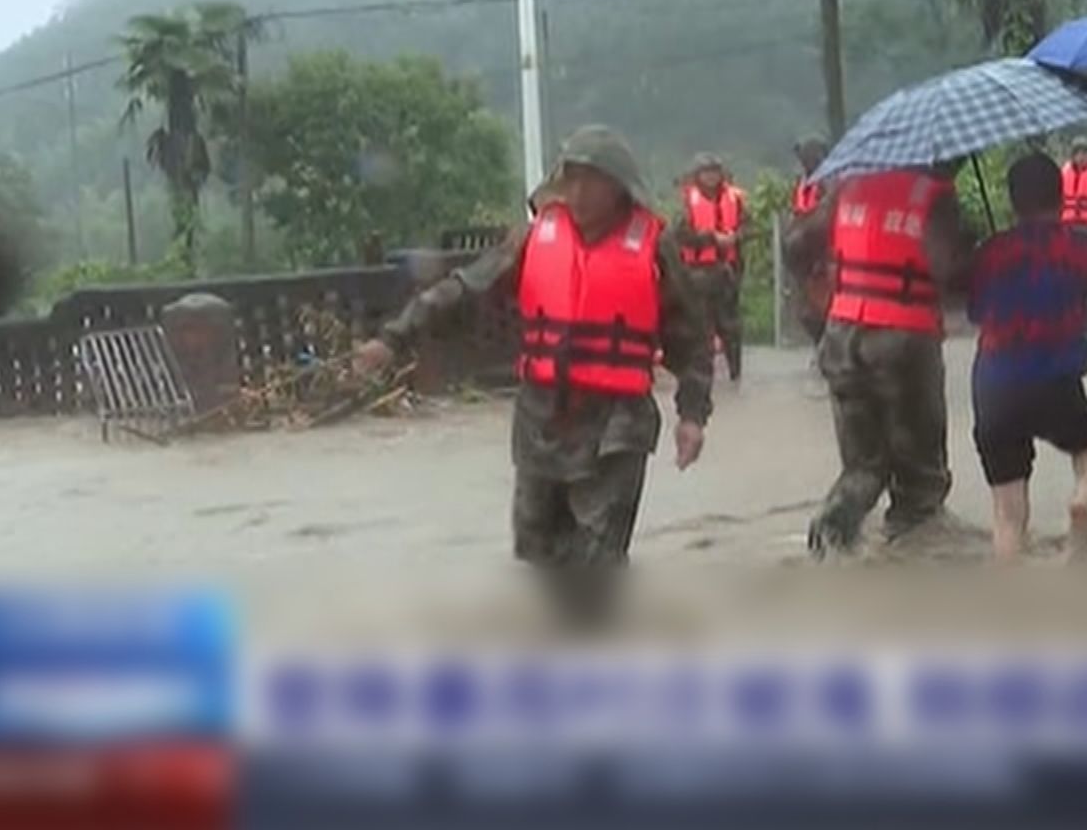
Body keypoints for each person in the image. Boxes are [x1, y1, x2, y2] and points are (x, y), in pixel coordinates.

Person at [352, 125, 711, 619]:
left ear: (619, 188)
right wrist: (392, 338)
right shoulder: (533, 239)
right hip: (543, 415)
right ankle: (582, 622)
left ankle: (592, 646)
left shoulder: (653, 246)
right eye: (571, 179)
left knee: (598, 557)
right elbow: (462, 289)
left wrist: (692, 416)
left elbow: (692, 343)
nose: (579, 192)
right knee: (536, 546)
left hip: (617, 423)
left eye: (593, 181)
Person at [785, 158, 977, 558]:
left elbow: (797, 245)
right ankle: (916, 560)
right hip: (902, 342)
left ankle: (831, 538)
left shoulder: (849, 186)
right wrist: (975, 246)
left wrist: (817, 285)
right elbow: (948, 272)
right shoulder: (934, 196)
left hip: (841, 339)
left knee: (863, 467)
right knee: (920, 479)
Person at [967, 154, 1087, 561]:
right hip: (1054, 379)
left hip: (994, 385)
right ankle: (1081, 496)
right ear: (1062, 195)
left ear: (1011, 201)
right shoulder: (1084, 248)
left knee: (1008, 514)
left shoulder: (989, 253)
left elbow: (976, 313)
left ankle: (1013, 604)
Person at [677, 153, 749, 382]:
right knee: (700, 324)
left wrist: (735, 238)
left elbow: (748, 227)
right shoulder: (688, 201)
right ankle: (703, 372)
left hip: (727, 269)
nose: (711, 176)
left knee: (730, 324)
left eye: (714, 172)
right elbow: (681, 235)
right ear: (697, 175)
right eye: (706, 172)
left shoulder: (735, 198)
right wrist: (711, 239)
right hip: (697, 272)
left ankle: (735, 373)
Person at [789, 135, 832, 344]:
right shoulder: (801, 182)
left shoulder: (829, 182)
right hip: (801, 255)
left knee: (822, 307)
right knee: (807, 312)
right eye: (804, 156)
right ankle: (822, 347)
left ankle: (827, 347)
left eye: (811, 156)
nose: (806, 161)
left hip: (822, 254)